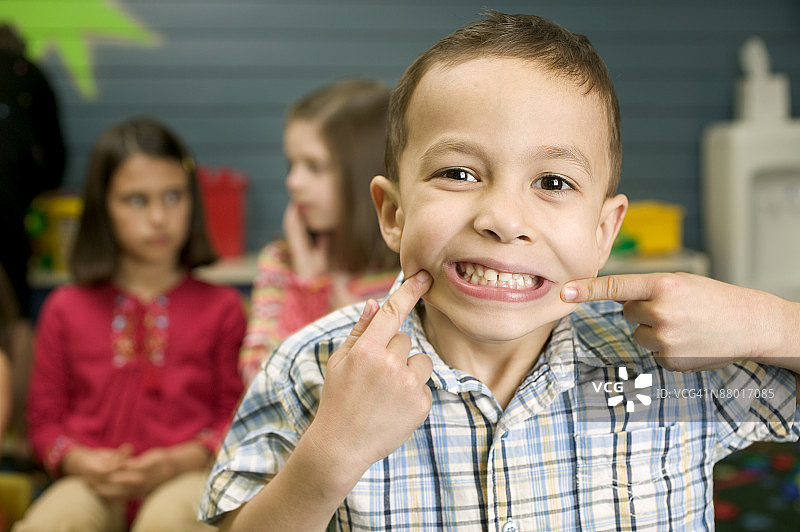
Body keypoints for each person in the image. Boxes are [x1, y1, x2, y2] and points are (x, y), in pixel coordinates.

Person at [200, 11, 800, 531]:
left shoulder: (676, 371)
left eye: (553, 182)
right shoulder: (314, 369)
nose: (503, 218)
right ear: (392, 212)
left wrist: (768, 321)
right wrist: (330, 456)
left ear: (603, 233)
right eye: (458, 173)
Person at [15, 117, 246, 532]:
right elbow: (43, 424)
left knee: (169, 522)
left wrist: (182, 459)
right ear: (103, 206)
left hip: (189, 477)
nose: (159, 217)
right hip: (92, 481)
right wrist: (79, 460)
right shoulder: (64, 308)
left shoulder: (224, 307)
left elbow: (235, 415)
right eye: (136, 200)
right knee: (54, 522)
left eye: (174, 196)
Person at [238, 79, 399, 383]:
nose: (293, 182)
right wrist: (307, 287)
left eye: (314, 166)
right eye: (292, 164)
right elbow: (257, 381)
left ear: (363, 172)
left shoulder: (403, 273)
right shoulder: (280, 262)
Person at [0, 23, 66, 319]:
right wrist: (37, 196)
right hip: (10, 208)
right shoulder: (30, 74)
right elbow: (55, 152)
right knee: (16, 314)